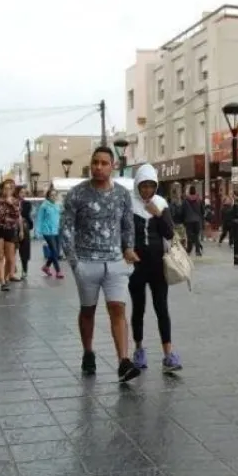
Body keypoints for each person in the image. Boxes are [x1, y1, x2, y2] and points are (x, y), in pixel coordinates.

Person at [60, 146, 140, 381]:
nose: (98, 167)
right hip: (86, 262)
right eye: (95, 162)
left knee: (118, 308)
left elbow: (128, 225)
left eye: (104, 163)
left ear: (113, 166)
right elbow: (66, 227)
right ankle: (88, 352)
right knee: (88, 310)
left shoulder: (122, 195)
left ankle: (123, 361)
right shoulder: (77, 194)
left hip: (115, 262)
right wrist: (74, 261)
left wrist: (128, 248)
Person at [129, 164, 183, 372]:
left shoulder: (160, 203)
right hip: (136, 266)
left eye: (151, 186)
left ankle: (168, 354)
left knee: (162, 308)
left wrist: (158, 214)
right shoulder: (130, 204)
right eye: (144, 186)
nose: (147, 190)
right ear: (138, 185)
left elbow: (169, 233)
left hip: (158, 265)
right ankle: (139, 349)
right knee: (138, 309)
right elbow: (124, 231)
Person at [0, 179, 23, 291]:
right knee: (0, 255)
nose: (8, 190)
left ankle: (6, 277)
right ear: (2, 189)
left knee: (10, 258)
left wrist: (11, 204)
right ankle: (3, 282)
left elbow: (17, 215)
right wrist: (5, 212)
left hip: (10, 230)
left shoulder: (16, 201)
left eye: (10, 188)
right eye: (5, 188)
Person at [36, 188, 64, 278]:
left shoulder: (57, 205)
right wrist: (38, 231)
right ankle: (58, 271)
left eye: (55, 195)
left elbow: (60, 217)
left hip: (57, 230)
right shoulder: (44, 206)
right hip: (47, 231)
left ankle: (46, 267)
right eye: (52, 195)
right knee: (54, 251)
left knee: (56, 252)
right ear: (48, 196)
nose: (54, 197)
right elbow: (39, 219)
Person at [14, 186, 34, 280]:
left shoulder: (26, 204)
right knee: (12, 250)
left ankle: (24, 270)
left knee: (24, 249)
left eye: (24, 192)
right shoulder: (12, 202)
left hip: (24, 226)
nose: (23, 194)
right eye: (21, 192)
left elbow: (25, 214)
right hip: (13, 227)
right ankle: (11, 270)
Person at [183, 186, 204, 257]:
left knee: (189, 236)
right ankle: (197, 251)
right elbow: (202, 211)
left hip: (188, 221)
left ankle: (188, 250)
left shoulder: (186, 200)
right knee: (196, 236)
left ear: (189, 192)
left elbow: (182, 211)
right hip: (197, 221)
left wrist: (183, 220)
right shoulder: (199, 200)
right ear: (195, 191)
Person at [169, 182, 187, 248]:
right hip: (178, 225)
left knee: (177, 244)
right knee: (179, 244)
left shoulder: (172, 204)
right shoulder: (181, 204)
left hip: (177, 225)